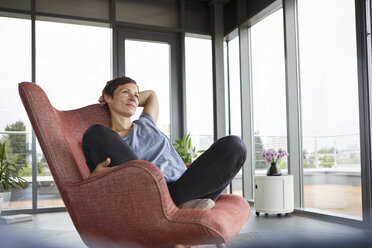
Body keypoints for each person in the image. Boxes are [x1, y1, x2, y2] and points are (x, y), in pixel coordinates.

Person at [82, 76, 247, 209]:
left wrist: (129, 98)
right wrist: (95, 178)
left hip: (187, 183)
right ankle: (184, 206)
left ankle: (184, 205)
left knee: (234, 145)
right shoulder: (113, 142)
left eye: (136, 95)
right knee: (95, 131)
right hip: (155, 192)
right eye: (126, 92)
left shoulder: (146, 122)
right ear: (108, 97)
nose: (133, 97)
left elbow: (151, 95)